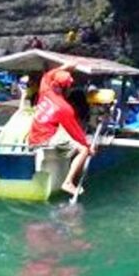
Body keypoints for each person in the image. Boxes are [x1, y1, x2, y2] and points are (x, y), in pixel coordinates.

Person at [27, 67, 94, 197]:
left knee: (62, 135)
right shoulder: (65, 108)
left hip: (32, 138)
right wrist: (88, 147)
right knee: (83, 150)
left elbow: (48, 74)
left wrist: (65, 65)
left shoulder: (44, 90)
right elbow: (76, 133)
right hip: (46, 140)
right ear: (66, 89)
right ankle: (68, 182)